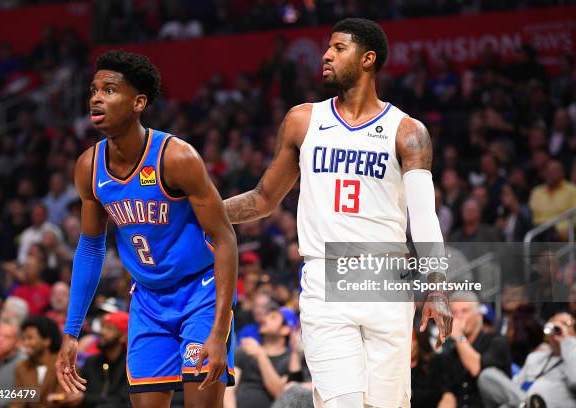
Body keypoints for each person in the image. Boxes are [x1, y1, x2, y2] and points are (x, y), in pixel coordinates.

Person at [224, 18, 452, 408]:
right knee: (339, 402)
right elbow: (264, 199)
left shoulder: (407, 131)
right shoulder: (303, 119)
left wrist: (437, 282)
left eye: (338, 48)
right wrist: (199, 210)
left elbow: (423, 215)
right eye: (327, 48)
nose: (326, 55)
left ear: (368, 59)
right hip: (325, 279)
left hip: (387, 281)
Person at [57, 51, 238, 408]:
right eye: (94, 89)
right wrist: (71, 330)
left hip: (199, 293)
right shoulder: (89, 167)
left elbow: (225, 238)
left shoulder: (176, 157)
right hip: (148, 300)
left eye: (109, 90)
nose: (96, 97)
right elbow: (91, 248)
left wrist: (220, 328)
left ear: (138, 102)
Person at [477, 312, 576, 408]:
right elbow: (513, 390)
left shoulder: (572, 359)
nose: (558, 330)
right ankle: (527, 404)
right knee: (487, 375)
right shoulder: (536, 357)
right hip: (520, 402)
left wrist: (567, 341)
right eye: (554, 325)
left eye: (565, 324)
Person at [439, 291, 511, 408]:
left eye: (464, 311)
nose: (459, 316)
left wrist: (458, 336)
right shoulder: (450, 353)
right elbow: (449, 392)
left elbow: (476, 368)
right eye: (454, 313)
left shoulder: (497, 341)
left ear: (478, 315)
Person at [66, 311, 130, 408]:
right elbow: (81, 392)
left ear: (123, 337)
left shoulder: (129, 366)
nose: (102, 332)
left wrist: (85, 399)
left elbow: (123, 401)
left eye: (109, 328)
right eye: (102, 326)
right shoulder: (91, 362)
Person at [12, 316, 64, 408]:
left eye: (30, 338)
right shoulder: (21, 367)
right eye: (23, 339)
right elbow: (18, 403)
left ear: (47, 341)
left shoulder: (63, 365)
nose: (26, 343)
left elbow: (63, 400)